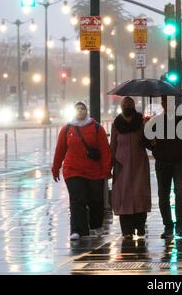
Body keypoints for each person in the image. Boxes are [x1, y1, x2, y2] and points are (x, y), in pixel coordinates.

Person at [52, 102, 112, 241]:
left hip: (94, 172)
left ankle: (96, 225)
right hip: (73, 171)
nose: (80, 111)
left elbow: (105, 150)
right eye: (77, 109)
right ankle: (77, 229)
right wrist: (55, 168)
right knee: (77, 200)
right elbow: (60, 150)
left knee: (95, 200)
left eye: (82, 108)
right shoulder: (67, 129)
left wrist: (107, 170)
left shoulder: (97, 128)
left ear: (87, 111)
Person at [148, 96, 182, 239]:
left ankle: (179, 226)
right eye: (166, 102)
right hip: (163, 162)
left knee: (180, 193)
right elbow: (146, 141)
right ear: (163, 104)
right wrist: (150, 139)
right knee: (163, 195)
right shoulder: (155, 122)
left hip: (180, 162)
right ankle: (168, 226)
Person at [110, 97, 151, 240]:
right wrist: (109, 166)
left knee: (140, 196)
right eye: (124, 105)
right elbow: (113, 145)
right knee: (124, 197)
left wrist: (148, 127)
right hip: (122, 166)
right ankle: (126, 230)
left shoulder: (141, 121)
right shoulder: (116, 124)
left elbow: (150, 142)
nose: (127, 106)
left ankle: (140, 227)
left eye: (130, 104)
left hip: (139, 164)